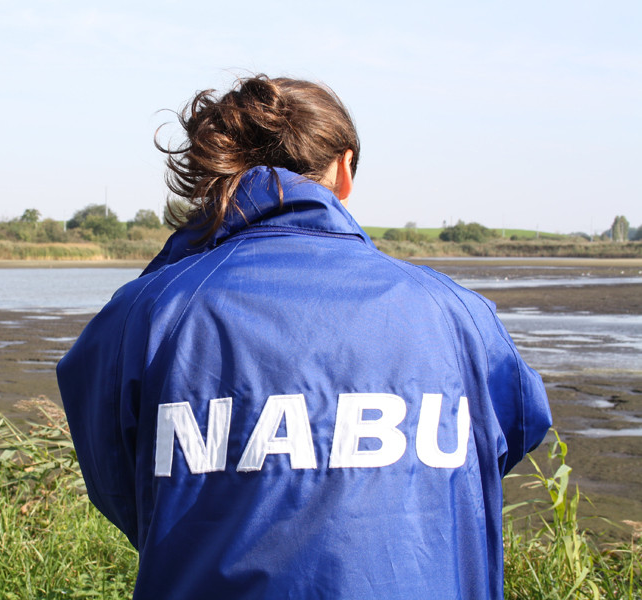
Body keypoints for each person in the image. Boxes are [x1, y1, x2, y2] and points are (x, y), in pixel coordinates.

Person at [57, 74, 551, 599]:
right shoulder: (457, 315)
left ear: (221, 170)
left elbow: (120, 484)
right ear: (344, 169)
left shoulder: (147, 313)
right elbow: (506, 442)